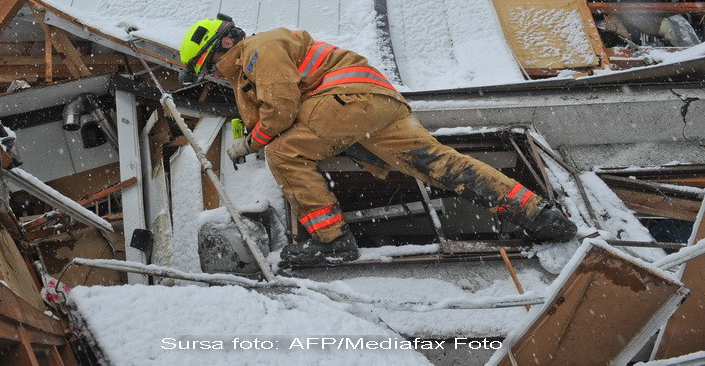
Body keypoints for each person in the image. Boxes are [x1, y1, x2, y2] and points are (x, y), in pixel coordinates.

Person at [179, 15, 577, 267]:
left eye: (209, 67)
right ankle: (538, 213)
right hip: (377, 103)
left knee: (284, 153)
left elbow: (280, 112)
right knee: (439, 163)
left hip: (343, 100)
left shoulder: (257, 50)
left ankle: (333, 241)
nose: (214, 76)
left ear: (224, 46)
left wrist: (249, 144)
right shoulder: (260, 56)